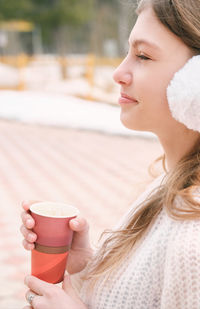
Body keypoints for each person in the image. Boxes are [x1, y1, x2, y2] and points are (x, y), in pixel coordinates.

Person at [20, 0, 200, 308]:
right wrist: (89, 266)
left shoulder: (192, 235)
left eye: (143, 56)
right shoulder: (167, 185)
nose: (119, 72)